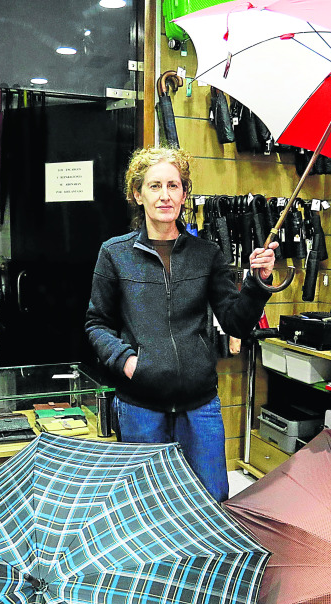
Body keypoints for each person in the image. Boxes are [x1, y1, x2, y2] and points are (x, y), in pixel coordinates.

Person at [86, 147, 275, 501]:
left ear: (184, 194)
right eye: (155, 186)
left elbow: (235, 322)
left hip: (200, 406)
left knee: (211, 500)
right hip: (140, 406)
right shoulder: (114, 254)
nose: (165, 195)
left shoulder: (207, 254)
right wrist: (129, 363)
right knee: (145, 505)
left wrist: (257, 283)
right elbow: (97, 323)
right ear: (137, 194)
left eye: (173, 186)